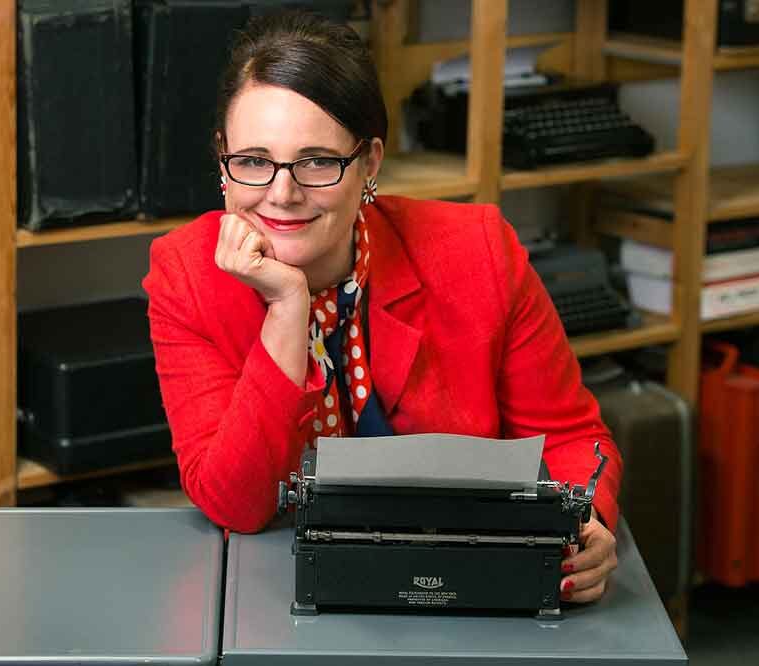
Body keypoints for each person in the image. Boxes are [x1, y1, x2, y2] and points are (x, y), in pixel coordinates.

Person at [142, 10, 623, 604]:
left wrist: (587, 520)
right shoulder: (184, 274)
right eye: (254, 160)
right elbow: (235, 504)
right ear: (223, 159)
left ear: (369, 162)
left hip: (463, 580)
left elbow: (571, 436)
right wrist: (287, 306)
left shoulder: (479, 251)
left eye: (318, 160)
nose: (281, 193)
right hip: (280, 590)